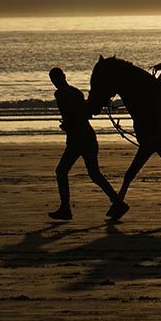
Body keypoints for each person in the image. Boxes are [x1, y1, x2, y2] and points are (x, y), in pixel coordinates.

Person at [47, 67, 125, 220]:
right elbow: (85, 113)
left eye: (55, 79)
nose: (56, 82)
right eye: (54, 80)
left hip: (77, 139)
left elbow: (71, 115)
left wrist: (66, 124)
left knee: (61, 171)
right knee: (95, 174)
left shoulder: (60, 94)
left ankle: (65, 208)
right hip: (88, 137)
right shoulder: (76, 92)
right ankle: (118, 203)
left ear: (60, 78)